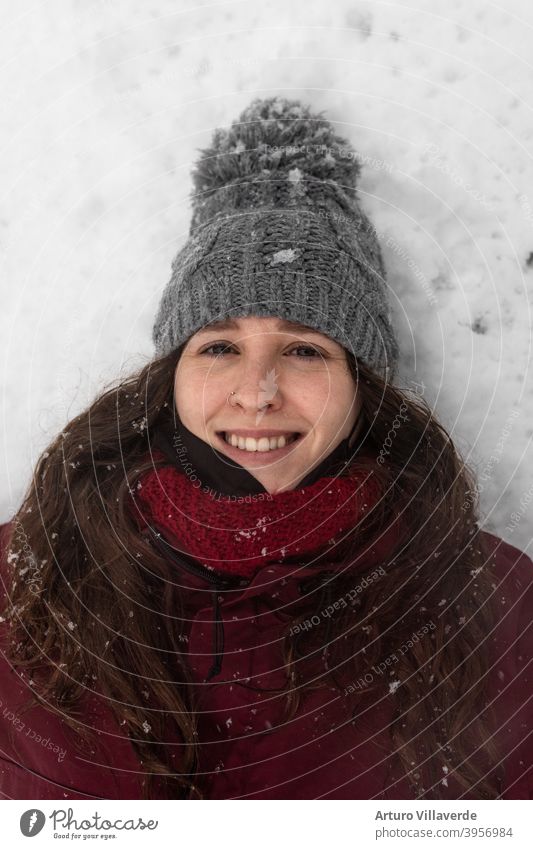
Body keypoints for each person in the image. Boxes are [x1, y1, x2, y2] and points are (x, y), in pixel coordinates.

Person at [0, 96, 531, 801]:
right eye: (219, 345)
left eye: (305, 349)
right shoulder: (25, 582)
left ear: (361, 385)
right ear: (170, 375)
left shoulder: (495, 600)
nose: (257, 391)